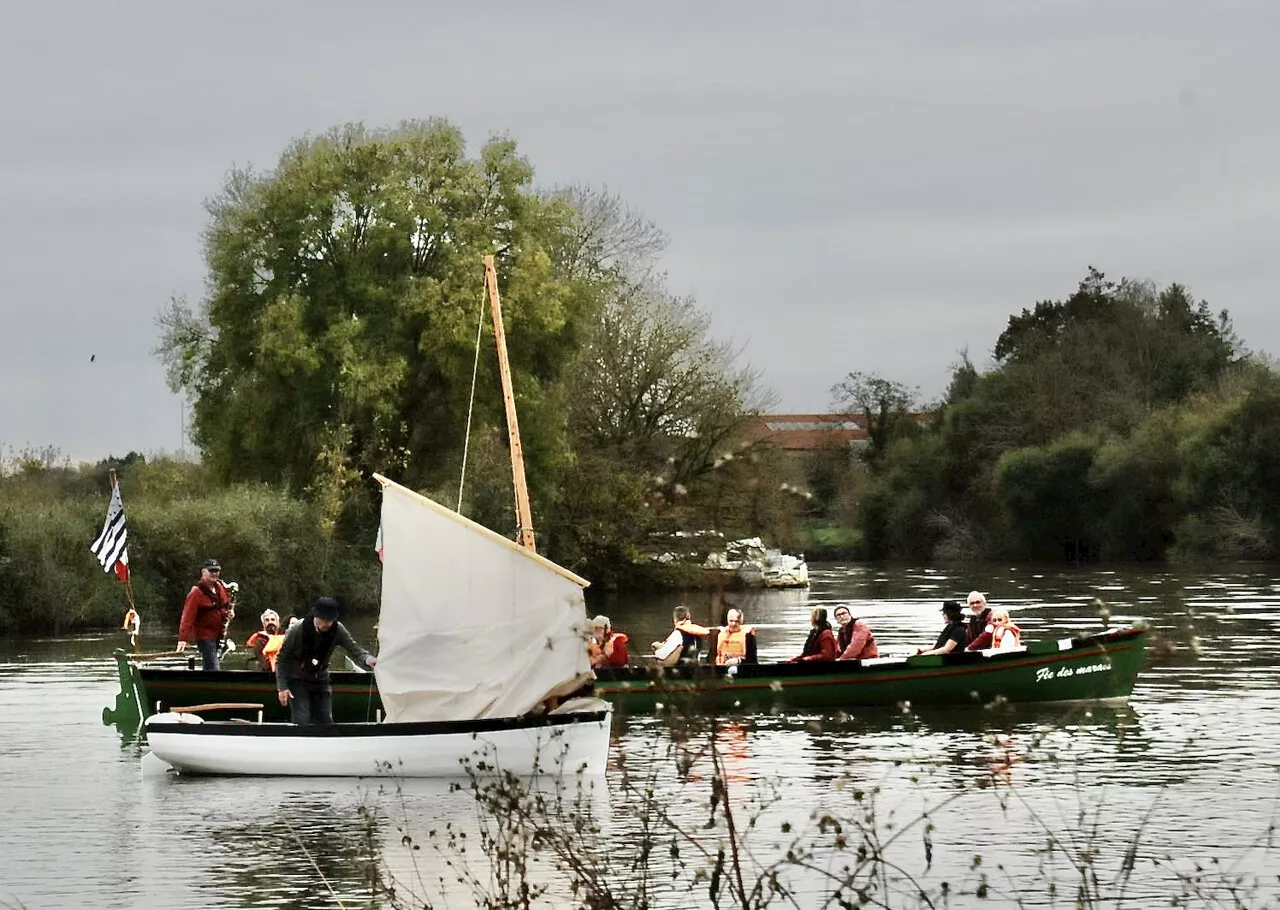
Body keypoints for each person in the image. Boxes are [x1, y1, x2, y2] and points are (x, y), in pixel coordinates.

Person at [275, 597, 377, 725]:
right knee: (302, 720)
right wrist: (282, 687)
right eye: (324, 620)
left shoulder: (337, 629)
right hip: (298, 680)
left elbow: (354, 649)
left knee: (326, 722)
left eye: (330, 621)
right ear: (316, 616)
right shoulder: (297, 629)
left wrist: (368, 659)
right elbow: (281, 659)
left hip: (321, 680)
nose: (327, 625)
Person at [176, 558, 234, 671]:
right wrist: (183, 638)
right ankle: (215, 685)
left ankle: (205, 684)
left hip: (219, 634)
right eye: (211, 571)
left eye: (216, 571)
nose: (214, 573)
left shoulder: (219, 587)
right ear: (203, 572)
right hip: (205, 636)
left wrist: (229, 613)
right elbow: (187, 617)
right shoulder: (196, 592)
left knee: (209, 666)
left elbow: (225, 605)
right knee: (213, 666)